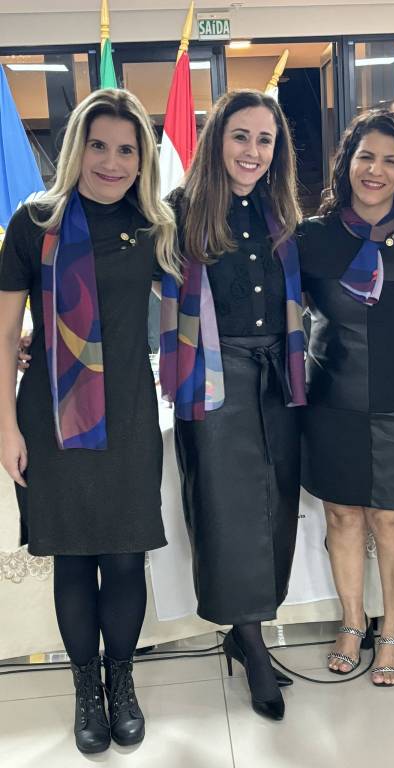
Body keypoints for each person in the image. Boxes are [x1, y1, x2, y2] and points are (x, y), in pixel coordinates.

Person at [0, 89, 179, 753]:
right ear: (77, 147)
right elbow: (4, 336)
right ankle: (86, 689)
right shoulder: (34, 224)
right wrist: (5, 428)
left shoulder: (156, 227)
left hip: (129, 415)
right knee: (72, 560)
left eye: (127, 150)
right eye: (98, 146)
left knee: (126, 558)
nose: (111, 161)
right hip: (50, 419)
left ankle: (121, 680)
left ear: (142, 160)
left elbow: (192, 307)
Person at [156, 89, 306, 721]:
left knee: (276, 506)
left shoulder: (282, 212)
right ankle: (247, 639)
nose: (252, 150)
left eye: (265, 139)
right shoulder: (177, 212)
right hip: (213, 381)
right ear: (216, 139)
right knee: (227, 513)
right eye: (240, 135)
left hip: (279, 377)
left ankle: (251, 632)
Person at [298, 110, 394, 685]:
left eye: (390, 161)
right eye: (365, 156)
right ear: (346, 164)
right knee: (342, 514)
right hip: (332, 396)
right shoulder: (312, 237)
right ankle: (353, 622)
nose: (375, 170)